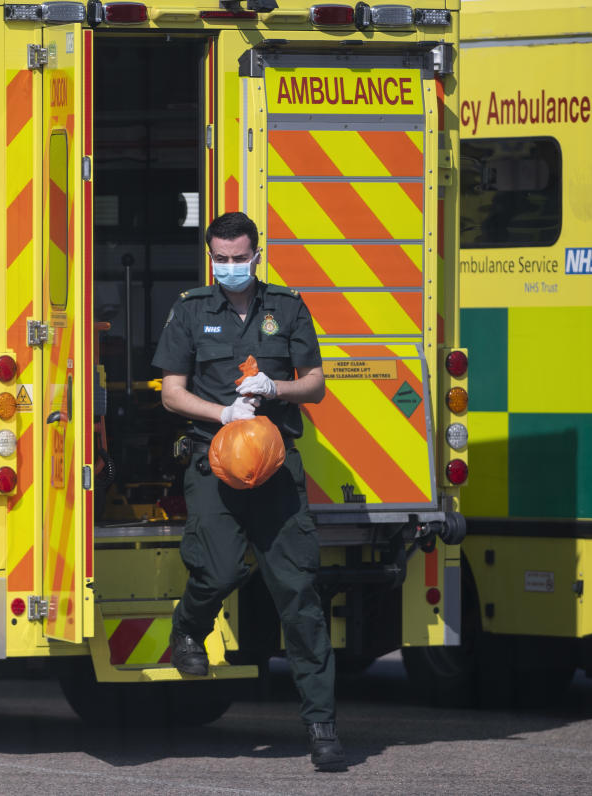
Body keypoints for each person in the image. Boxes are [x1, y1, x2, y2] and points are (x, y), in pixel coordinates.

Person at [151, 211, 344, 771]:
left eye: (240, 258)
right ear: (211, 257)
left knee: (300, 597)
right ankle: (188, 629)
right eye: (222, 259)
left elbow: (316, 383)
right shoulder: (191, 310)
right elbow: (170, 394)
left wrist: (274, 386)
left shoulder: (287, 307)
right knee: (217, 569)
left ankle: (322, 727)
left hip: (276, 469)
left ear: (258, 255)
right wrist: (223, 411)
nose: (230, 268)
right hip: (214, 465)